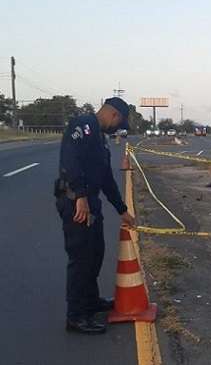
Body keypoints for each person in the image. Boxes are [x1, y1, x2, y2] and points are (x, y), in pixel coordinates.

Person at [54, 97, 135, 334]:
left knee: (95, 254)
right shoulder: (83, 124)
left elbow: (106, 178)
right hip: (76, 203)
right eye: (119, 123)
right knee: (81, 260)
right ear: (113, 115)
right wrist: (80, 195)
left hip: (91, 203)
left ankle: (90, 301)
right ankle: (76, 316)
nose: (118, 128)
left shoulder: (100, 138)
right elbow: (70, 159)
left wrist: (122, 209)